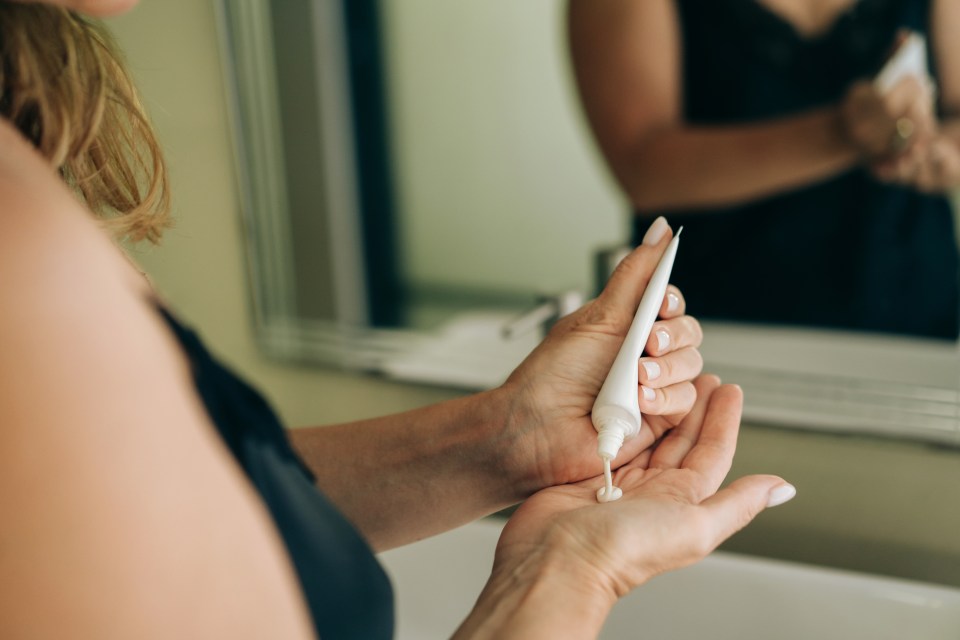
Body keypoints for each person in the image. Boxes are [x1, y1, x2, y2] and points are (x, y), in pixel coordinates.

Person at [0, 1, 794, 638]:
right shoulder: (18, 248)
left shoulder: (26, 170)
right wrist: (566, 579)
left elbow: (178, 494)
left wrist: (508, 439)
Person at [568, 0, 960, 339]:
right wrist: (841, 134)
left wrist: (938, 152)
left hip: (911, 312)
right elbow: (644, 169)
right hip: (710, 329)